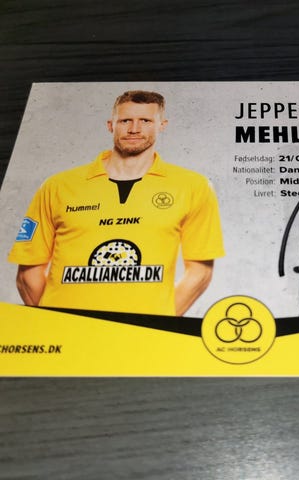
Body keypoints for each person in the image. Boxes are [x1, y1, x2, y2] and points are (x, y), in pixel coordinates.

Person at [8, 90, 225, 316]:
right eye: (125, 121)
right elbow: (27, 275)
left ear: (162, 125)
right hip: (66, 330)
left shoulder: (192, 186)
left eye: (145, 121)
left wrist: (156, 320)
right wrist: (57, 321)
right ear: (110, 125)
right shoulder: (57, 186)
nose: (134, 129)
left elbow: (200, 273)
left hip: (141, 333)